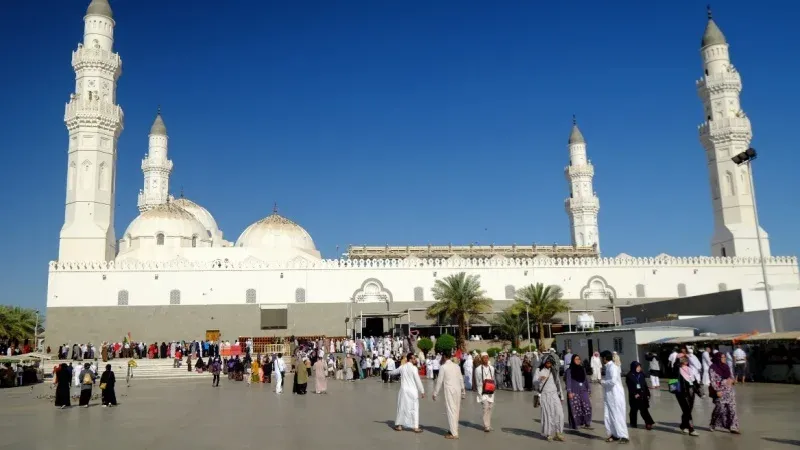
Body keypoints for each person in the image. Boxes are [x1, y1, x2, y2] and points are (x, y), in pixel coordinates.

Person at [433, 350, 465, 440]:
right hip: (458, 390)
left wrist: (435, 393)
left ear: (444, 357)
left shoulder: (443, 367)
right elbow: (461, 379)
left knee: (451, 410)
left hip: (449, 390)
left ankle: (454, 433)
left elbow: (439, 381)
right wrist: (463, 391)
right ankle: (453, 429)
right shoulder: (457, 366)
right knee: (456, 410)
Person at [388, 352, 425, 433]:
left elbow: (394, 372)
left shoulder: (402, 367)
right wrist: (422, 390)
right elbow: (417, 380)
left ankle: (399, 426)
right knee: (414, 408)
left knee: (401, 407)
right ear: (410, 359)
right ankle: (415, 427)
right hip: (412, 391)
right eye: (414, 358)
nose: (415, 360)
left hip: (404, 391)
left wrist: (388, 372)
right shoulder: (414, 368)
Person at [533, 354, 565, 441]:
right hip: (545, 395)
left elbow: (558, 383)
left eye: (550, 362)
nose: (549, 364)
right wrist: (539, 379)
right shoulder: (539, 370)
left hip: (554, 394)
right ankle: (548, 433)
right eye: (547, 362)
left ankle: (558, 433)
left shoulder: (554, 370)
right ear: (544, 362)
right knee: (548, 415)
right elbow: (534, 382)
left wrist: (561, 396)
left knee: (559, 414)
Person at [600, 350, 629, 443]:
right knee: (609, 415)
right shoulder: (608, 367)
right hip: (609, 395)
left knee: (618, 415)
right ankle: (615, 434)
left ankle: (624, 436)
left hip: (616, 395)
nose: (601, 360)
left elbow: (613, 381)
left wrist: (602, 382)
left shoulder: (613, 367)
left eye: (602, 358)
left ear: (604, 358)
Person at [709, 352, 740, 433]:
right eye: (722, 357)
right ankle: (713, 423)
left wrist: (733, 380)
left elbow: (731, 377)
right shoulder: (713, 368)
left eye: (725, 357)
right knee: (719, 409)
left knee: (732, 409)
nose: (724, 359)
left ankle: (733, 426)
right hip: (720, 391)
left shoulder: (727, 366)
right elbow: (713, 381)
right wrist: (717, 390)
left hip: (729, 391)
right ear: (718, 358)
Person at [673, 356, 702, 436]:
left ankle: (683, 426)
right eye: (683, 360)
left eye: (686, 360)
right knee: (687, 411)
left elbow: (694, 381)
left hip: (691, 393)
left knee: (687, 411)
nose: (686, 361)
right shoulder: (677, 369)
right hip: (681, 393)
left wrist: (699, 391)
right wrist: (677, 360)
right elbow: (674, 369)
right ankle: (691, 429)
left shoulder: (689, 369)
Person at [565, 354, 592, 430]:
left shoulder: (582, 369)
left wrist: (588, 389)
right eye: (576, 359)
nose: (578, 361)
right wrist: (569, 392)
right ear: (573, 360)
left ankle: (587, 422)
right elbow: (568, 381)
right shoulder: (569, 370)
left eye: (579, 359)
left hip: (583, 390)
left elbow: (585, 379)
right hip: (574, 391)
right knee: (576, 407)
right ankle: (576, 424)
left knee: (587, 406)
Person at [625, 361, 654, 429]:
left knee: (644, 410)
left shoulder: (641, 374)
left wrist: (648, 393)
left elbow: (645, 384)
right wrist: (634, 394)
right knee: (633, 410)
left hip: (642, 394)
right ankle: (633, 423)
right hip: (634, 396)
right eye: (637, 367)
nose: (639, 368)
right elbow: (630, 387)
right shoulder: (629, 376)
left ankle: (648, 423)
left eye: (639, 367)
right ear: (633, 367)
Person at [473, 352, 496, 432]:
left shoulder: (492, 368)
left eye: (487, 357)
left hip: (490, 391)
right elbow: (477, 381)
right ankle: (486, 426)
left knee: (490, 408)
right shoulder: (478, 369)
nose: (486, 359)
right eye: (484, 358)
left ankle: (488, 425)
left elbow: (492, 378)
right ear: (481, 359)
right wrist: (480, 392)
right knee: (485, 407)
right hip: (482, 391)